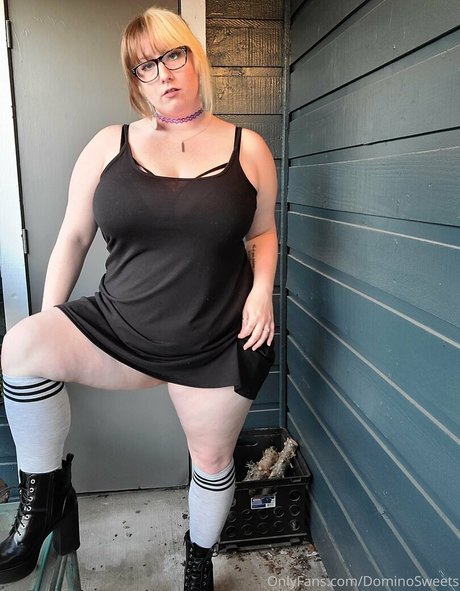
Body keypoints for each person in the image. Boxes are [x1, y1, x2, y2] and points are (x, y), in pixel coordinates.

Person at [0, 6, 278, 590]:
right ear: (135, 80)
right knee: (23, 348)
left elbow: (262, 234)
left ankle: (198, 558)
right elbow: (74, 237)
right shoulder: (109, 144)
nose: (163, 73)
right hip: (119, 328)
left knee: (211, 461)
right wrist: (53, 324)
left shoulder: (247, 147)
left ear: (194, 58)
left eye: (173, 55)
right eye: (145, 66)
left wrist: (261, 294)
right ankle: (43, 501)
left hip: (216, 337)